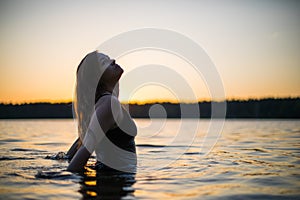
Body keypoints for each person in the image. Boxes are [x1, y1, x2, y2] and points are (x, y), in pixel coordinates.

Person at [66, 51, 137, 173]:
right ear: (97, 77)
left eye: (109, 58)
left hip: (111, 183)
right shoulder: (109, 104)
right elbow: (83, 151)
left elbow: (82, 142)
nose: (113, 60)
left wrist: (64, 158)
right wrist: (63, 177)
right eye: (105, 62)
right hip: (112, 185)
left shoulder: (105, 103)